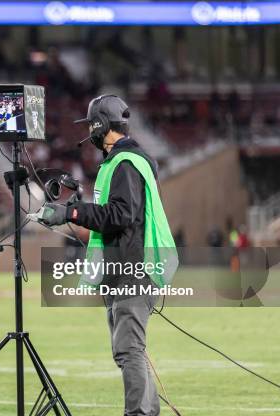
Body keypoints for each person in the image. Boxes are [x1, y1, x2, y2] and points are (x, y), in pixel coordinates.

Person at [37, 95, 176, 416]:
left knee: (129, 350)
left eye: (91, 125)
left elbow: (120, 215)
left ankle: (140, 414)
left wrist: (71, 213)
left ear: (102, 125)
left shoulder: (125, 164)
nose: (89, 133)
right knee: (129, 350)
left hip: (133, 270)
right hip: (125, 268)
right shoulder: (122, 162)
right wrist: (80, 209)